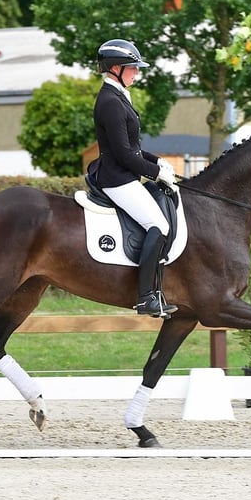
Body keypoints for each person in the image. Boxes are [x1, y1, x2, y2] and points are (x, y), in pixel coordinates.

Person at [88, 38, 178, 318]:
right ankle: (146, 297)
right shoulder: (109, 102)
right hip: (117, 179)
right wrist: (156, 173)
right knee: (158, 226)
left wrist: (156, 160)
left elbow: (133, 148)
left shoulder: (118, 95)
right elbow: (125, 156)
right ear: (115, 68)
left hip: (125, 174)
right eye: (132, 68)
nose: (137, 73)